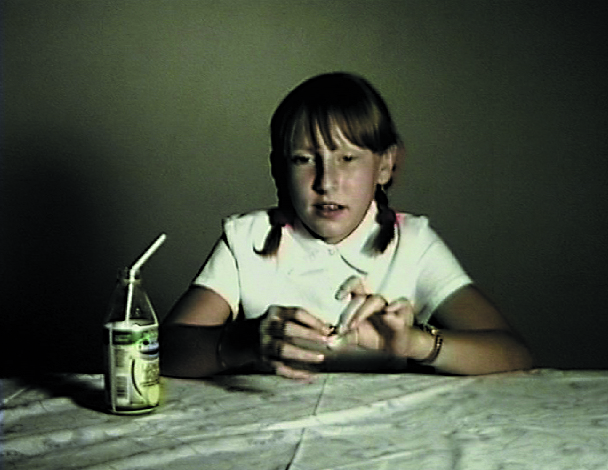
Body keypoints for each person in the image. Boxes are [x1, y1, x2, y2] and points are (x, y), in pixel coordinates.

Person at [160, 72, 533, 381]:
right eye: (305, 159)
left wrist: (415, 343)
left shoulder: (413, 242)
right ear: (279, 170)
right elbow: (162, 352)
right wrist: (245, 340)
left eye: (348, 159)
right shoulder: (246, 239)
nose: (327, 181)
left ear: (384, 166)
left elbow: (512, 353)